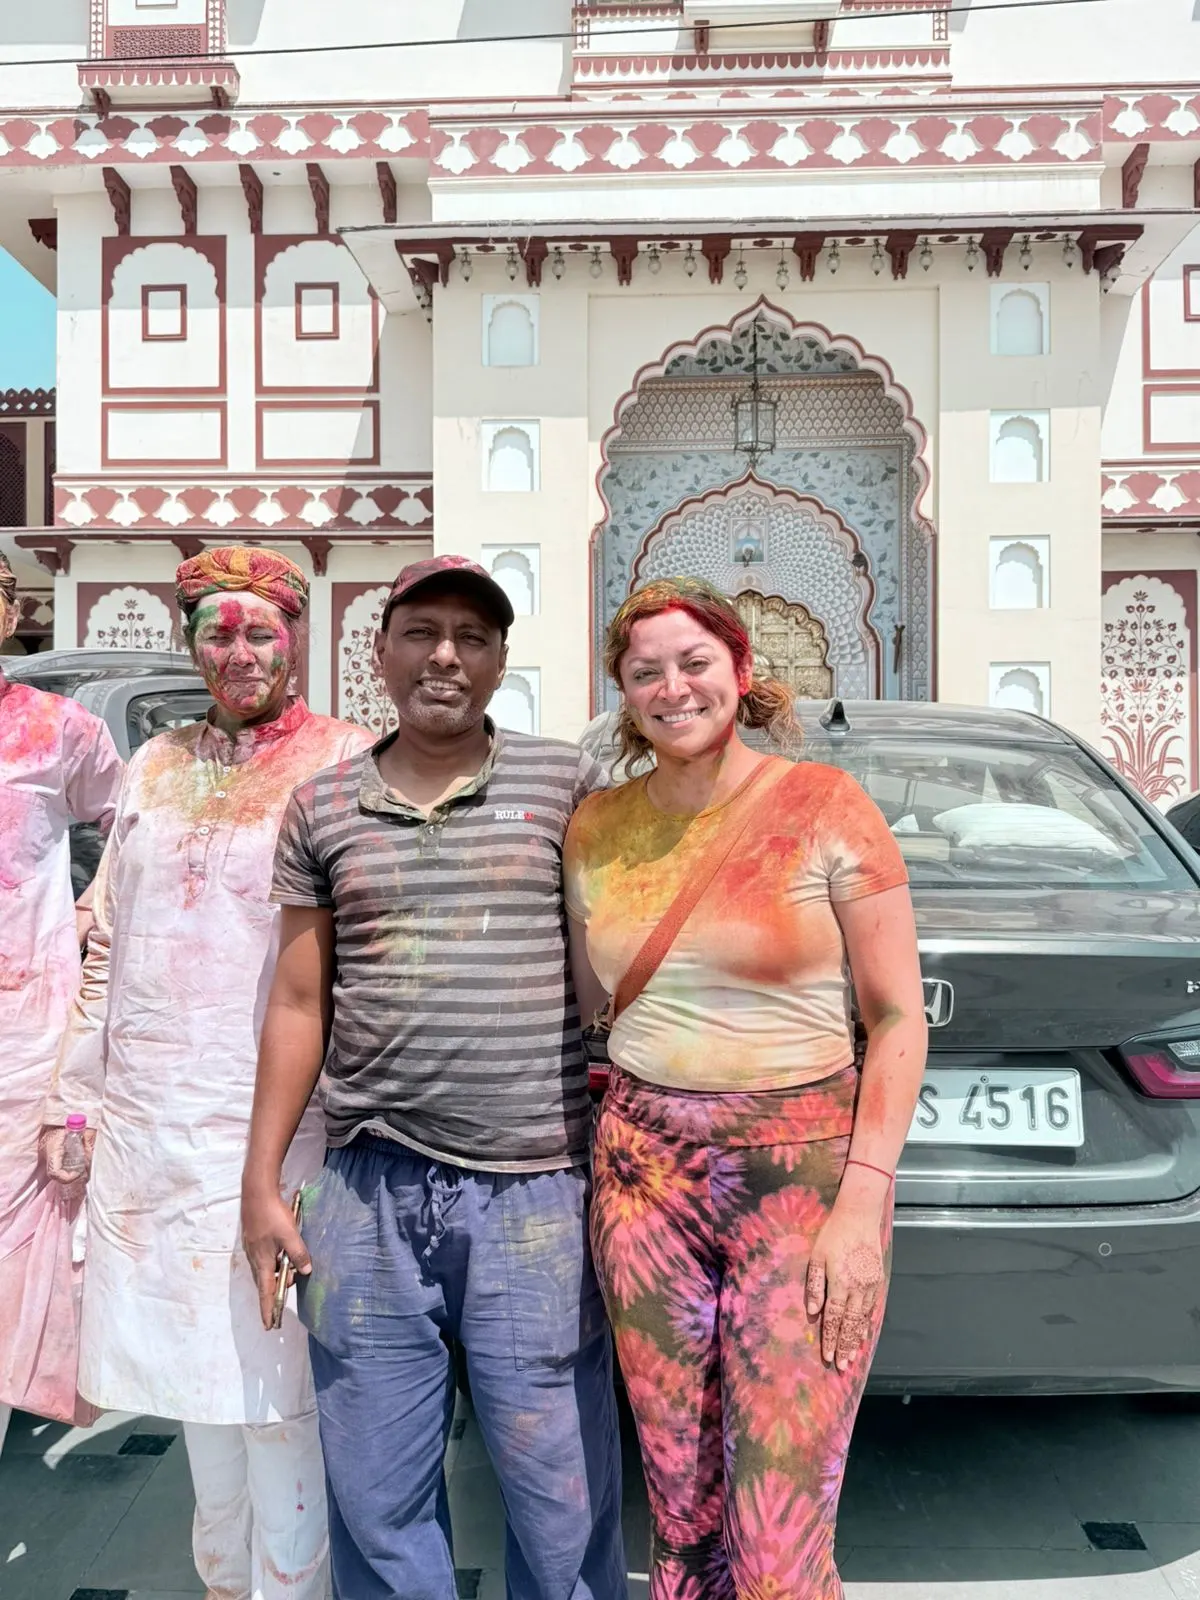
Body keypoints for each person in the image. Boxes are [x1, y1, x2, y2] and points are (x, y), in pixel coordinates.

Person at [241, 554, 627, 1600]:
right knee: (376, 1495)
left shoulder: (565, 786)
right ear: (381, 653)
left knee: (562, 1490)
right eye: (421, 632)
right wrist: (263, 1185)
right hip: (367, 1194)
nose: (445, 655)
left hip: (535, 1191)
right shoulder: (321, 808)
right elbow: (296, 1003)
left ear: (501, 660)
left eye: (472, 635)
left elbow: (616, 962)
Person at [563, 577, 928, 1600]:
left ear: (741, 671)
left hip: (802, 1175)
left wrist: (863, 1199)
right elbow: (594, 1000)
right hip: (641, 1173)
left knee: (776, 1521)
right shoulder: (595, 828)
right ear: (623, 692)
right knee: (679, 1505)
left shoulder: (826, 806)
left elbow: (898, 1016)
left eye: (694, 663)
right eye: (646, 672)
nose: (673, 688)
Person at [45, 546, 372, 1600]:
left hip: (280, 1129)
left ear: (296, 635)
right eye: (215, 631)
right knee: (196, 1400)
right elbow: (110, 943)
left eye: (258, 630)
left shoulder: (345, 760)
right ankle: (222, 1586)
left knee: (277, 1396)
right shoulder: (151, 765)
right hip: (150, 1134)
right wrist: (72, 1095)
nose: (236, 652)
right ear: (189, 642)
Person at [0, 552, 124, 1452]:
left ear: (11, 613)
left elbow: (135, 826)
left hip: (22, 1047)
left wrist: (93, 909)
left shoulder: (58, 732)